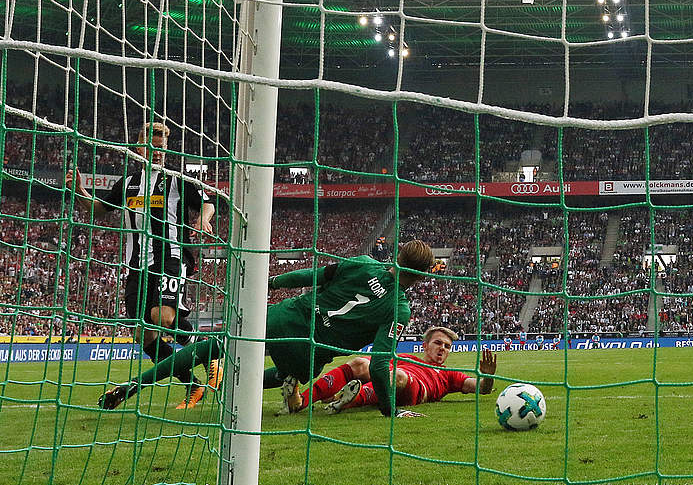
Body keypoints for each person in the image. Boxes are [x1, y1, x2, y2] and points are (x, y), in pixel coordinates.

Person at [97, 240, 437, 416]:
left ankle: (133, 385)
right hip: (312, 348)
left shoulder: (364, 263)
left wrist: (270, 283)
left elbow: (312, 276)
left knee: (214, 345)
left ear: (398, 255)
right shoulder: (399, 309)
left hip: (289, 314)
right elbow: (378, 363)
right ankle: (257, 383)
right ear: (424, 275)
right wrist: (390, 410)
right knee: (289, 372)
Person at [68, 121, 219, 409]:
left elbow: (207, 202)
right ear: (140, 147)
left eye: (163, 144)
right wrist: (81, 192)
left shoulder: (176, 180)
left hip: (171, 256)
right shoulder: (127, 183)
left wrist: (203, 219)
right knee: (143, 333)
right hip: (137, 265)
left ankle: (210, 354)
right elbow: (100, 210)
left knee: (162, 317)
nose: (159, 149)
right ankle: (193, 385)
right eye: (153, 142)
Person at [300, 326, 497, 416]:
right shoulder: (404, 358)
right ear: (425, 346)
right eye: (438, 343)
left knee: (398, 376)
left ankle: (346, 400)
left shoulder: (449, 374)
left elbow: (480, 387)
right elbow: (375, 367)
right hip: (391, 378)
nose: (442, 348)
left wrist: (487, 377)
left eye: (447, 346)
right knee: (361, 363)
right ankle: (302, 401)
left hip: (415, 390)